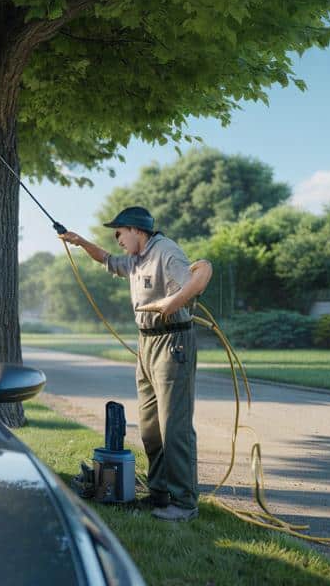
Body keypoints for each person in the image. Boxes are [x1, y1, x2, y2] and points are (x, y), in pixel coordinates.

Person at [60, 206, 211, 522]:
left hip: (173, 342)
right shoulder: (137, 260)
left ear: (136, 229)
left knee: (175, 426)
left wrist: (172, 303)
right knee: (150, 427)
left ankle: (184, 503)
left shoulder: (166, 252)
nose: (116, 239)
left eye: (119, 232)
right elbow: (106, 260)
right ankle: (159, 494)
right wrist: (80, 241)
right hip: (146, 344)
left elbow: (197, 279)